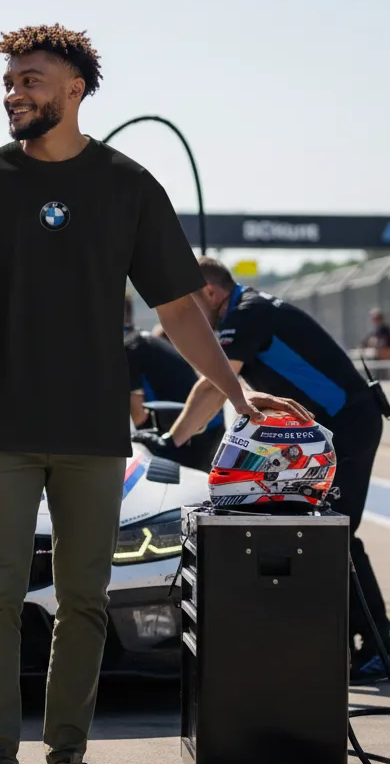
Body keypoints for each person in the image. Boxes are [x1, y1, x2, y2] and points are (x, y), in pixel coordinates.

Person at [0, 23, 304, 764]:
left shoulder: (128, 185)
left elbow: (179, 307)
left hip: (93, 431)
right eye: (9, 82)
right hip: (1, 431)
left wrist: (234, 392)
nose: (14, 93)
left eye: (30, 80)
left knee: (85, 600)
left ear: (75, 88)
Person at [148, 256, 390, 681]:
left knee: (338, 534)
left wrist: (172, 442)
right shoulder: (248, 309)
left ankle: (378, 647)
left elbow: (214, 386)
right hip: (327, 432)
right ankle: (347, 641)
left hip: (349, 425)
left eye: (191, 302)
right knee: (323, 532)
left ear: (210, 293)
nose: (189, 314)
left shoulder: (247, 314)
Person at [124, 292, 224, 471]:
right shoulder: (143, 340)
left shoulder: (128, 347)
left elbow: (138, 415)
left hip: (190, 434)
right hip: (206, 426)